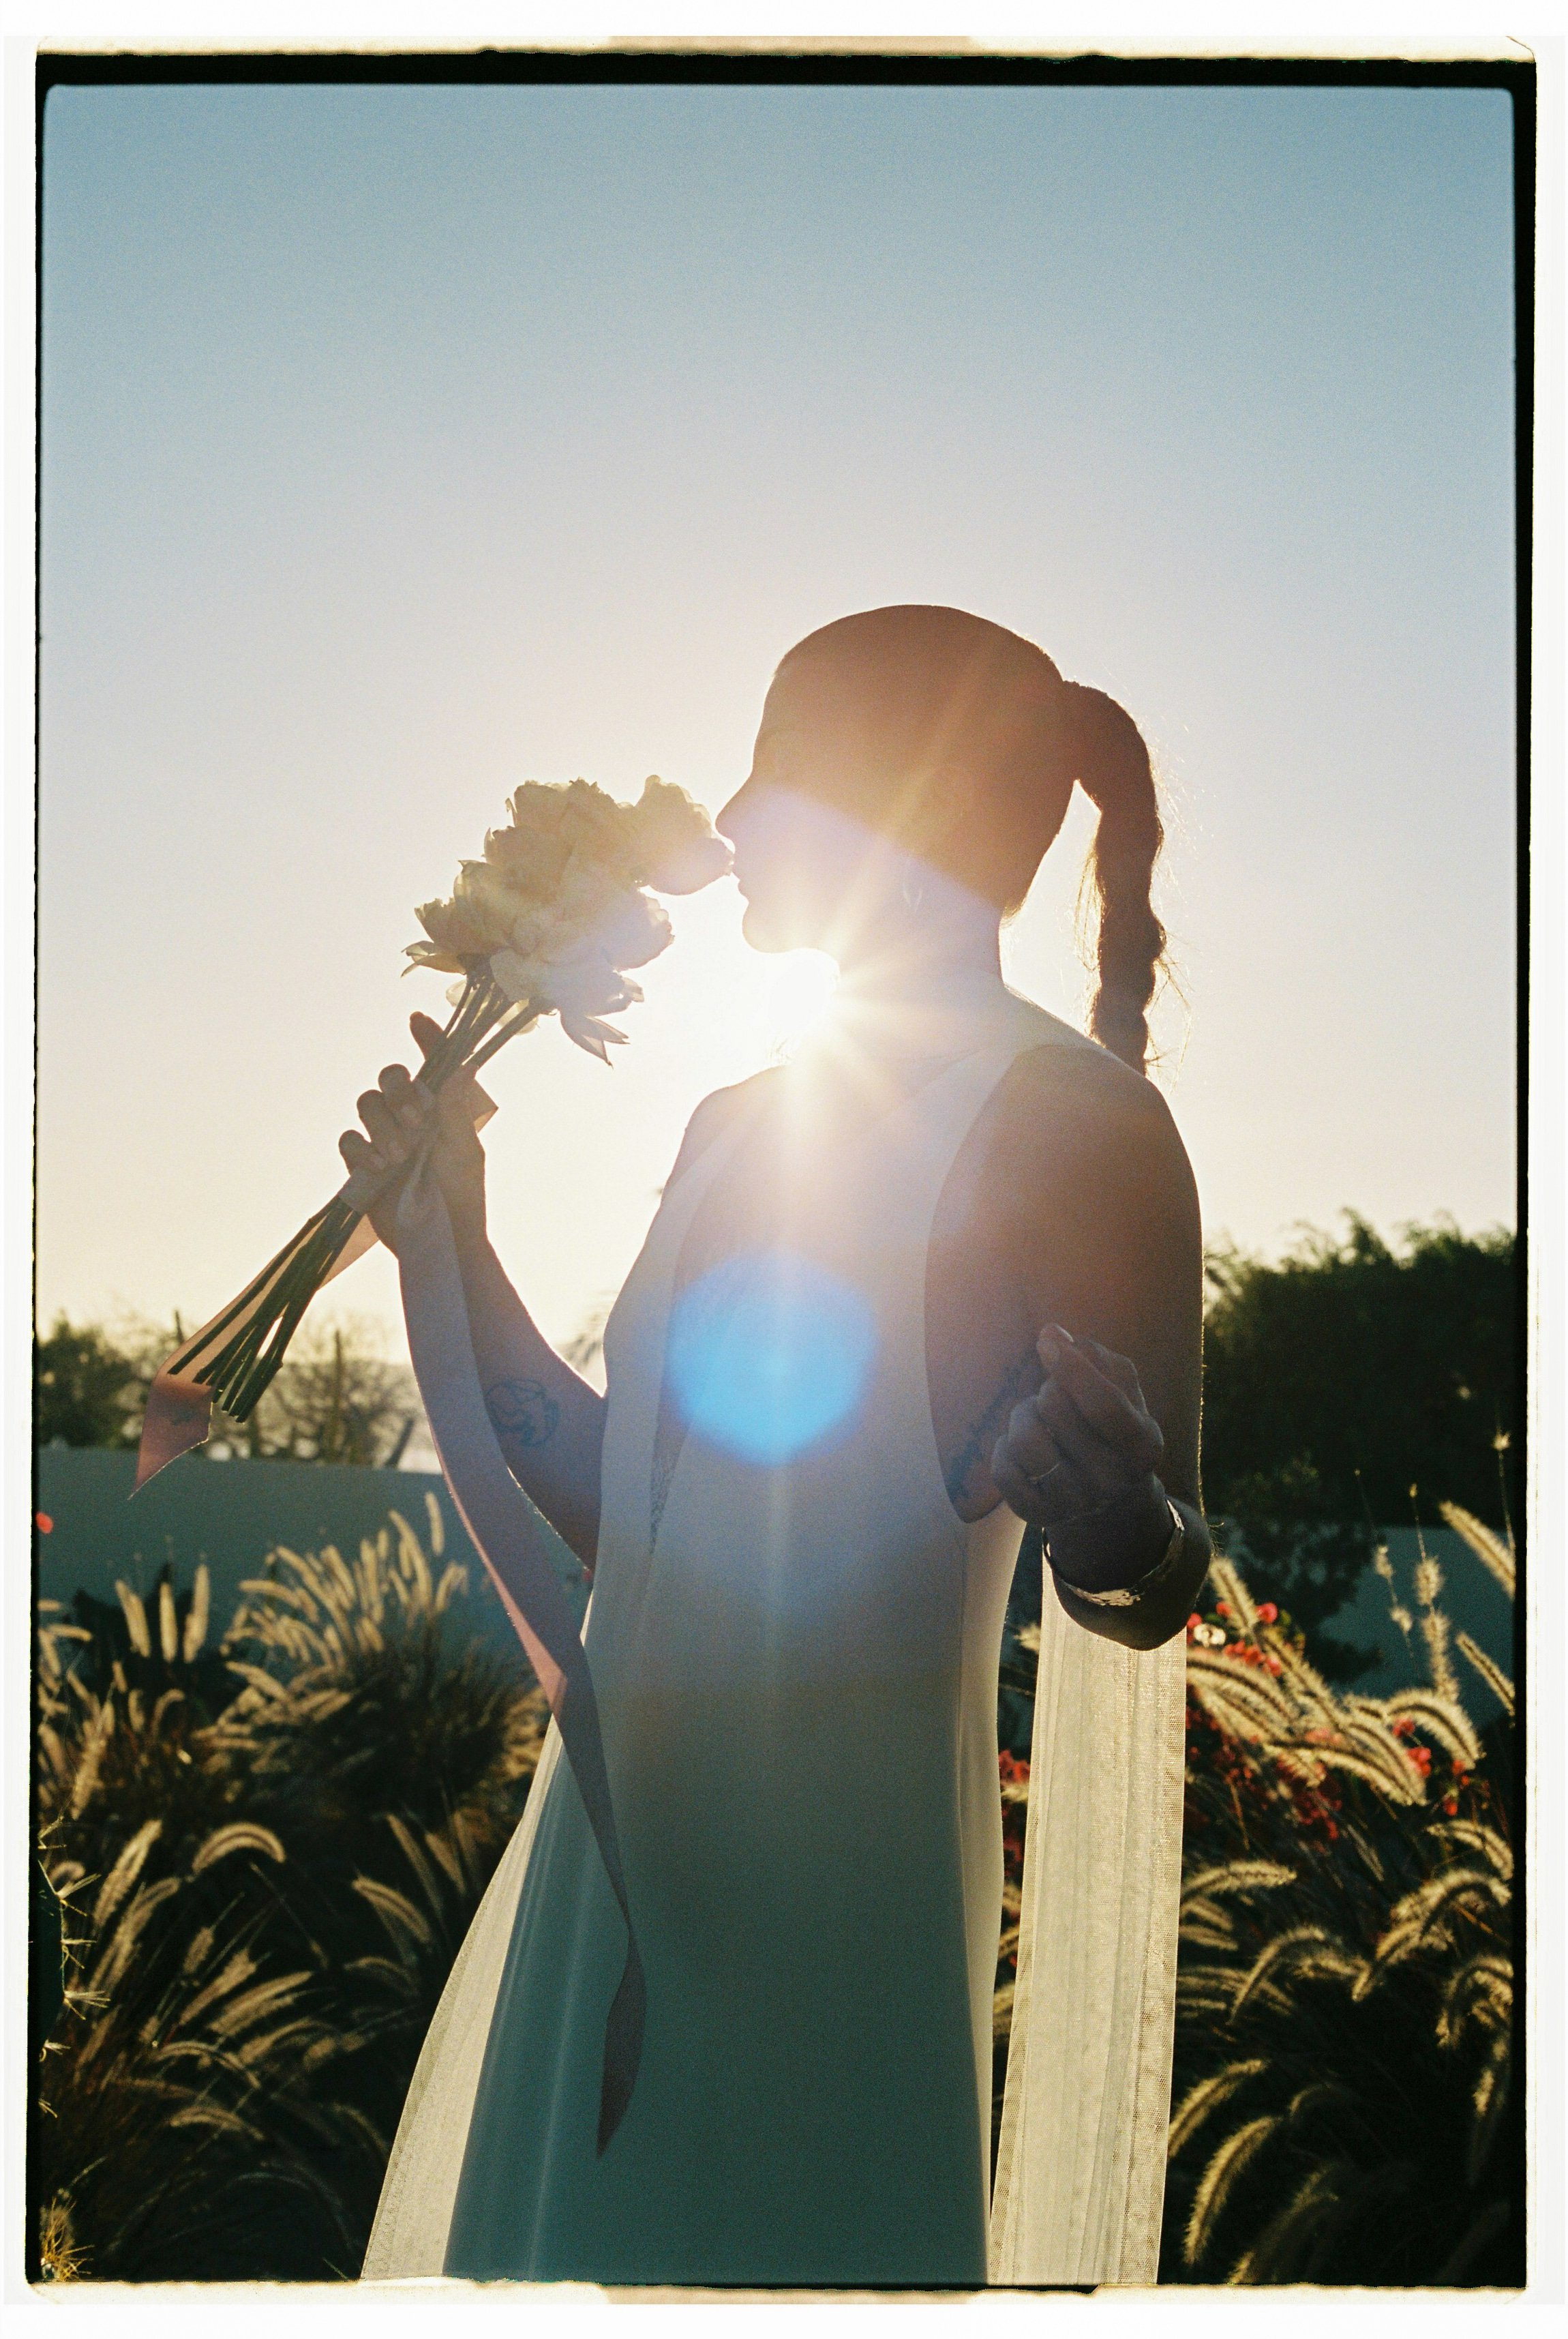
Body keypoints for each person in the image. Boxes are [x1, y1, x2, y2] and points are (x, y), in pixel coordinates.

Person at [351, 606, 1209, 2290]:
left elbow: (1156, 1576)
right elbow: (634, 1514)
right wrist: (451, 1236)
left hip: (834, 1905)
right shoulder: (733, 1116)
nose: (734, 818)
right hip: (609, 1879)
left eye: (779, 765)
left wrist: (1111, 1512)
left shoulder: (1080, 1118)